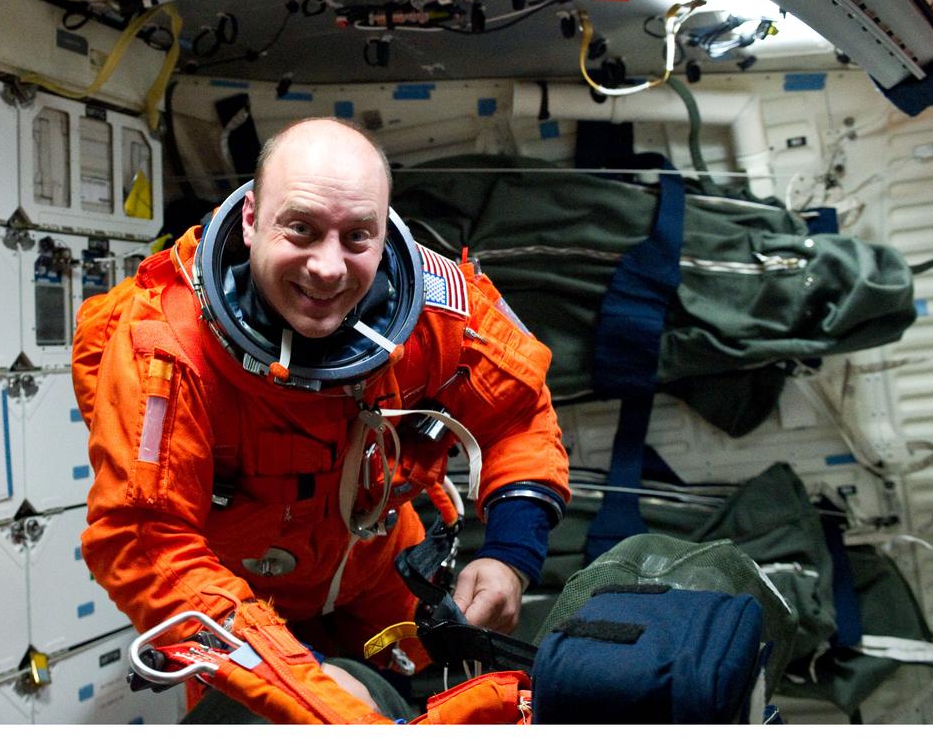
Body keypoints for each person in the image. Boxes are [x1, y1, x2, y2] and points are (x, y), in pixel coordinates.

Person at [73, 117, 570, 722]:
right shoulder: (168, 348)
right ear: (252, 218)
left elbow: (519, 412)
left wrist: (511, 557)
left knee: (445, 698)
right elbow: (144, 539)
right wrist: (304, 686)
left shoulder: (435, 315)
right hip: (232, 605)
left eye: (358, 237)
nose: (329, 268)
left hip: (381, 568)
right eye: (301, 229)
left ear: (385, 233)